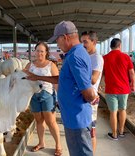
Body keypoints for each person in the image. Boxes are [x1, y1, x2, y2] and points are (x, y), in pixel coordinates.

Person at [25, 21, 97, 156]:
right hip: (72, 117)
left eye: (57, 40)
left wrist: (90, 96)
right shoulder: (74, 53)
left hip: (77, 118)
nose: (57, 44)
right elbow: (63, 80)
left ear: (65, 37)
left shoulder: (75, 57)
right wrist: (37, 77)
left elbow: (89, 94)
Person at [24, 42, 62, 156]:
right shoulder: (30, 65)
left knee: (51, 122)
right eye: (37, 50)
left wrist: (59, 98)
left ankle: (58, 145)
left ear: (46, 53)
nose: (39, 53)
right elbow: (23, 80)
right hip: (34, 96)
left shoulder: (51, 65)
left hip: (47, 95)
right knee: (39, 121)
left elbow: (56, 82)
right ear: (34, 52)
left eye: (42, 51)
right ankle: (41, 143)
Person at [103, 38, 135, 140]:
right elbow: (132, 73)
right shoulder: (125, 57)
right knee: (122, 109)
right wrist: (133, 85)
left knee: (113, 112)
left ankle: (114, 134)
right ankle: (121, 132)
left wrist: (100, 84)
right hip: (124, 89)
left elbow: (101, 73)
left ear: (110, 46)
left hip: (111, 89)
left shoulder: (105, 58)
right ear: (120, 46)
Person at [81, 31, 104, 154]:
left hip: (91, 98)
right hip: (83, 96)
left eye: (85, 41)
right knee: (84, 130)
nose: (83, 44)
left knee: (91, 131)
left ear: (94, 42)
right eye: (82, 41)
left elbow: (94, 79)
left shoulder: (97, 58)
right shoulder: (86, 56)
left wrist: (76, 77)